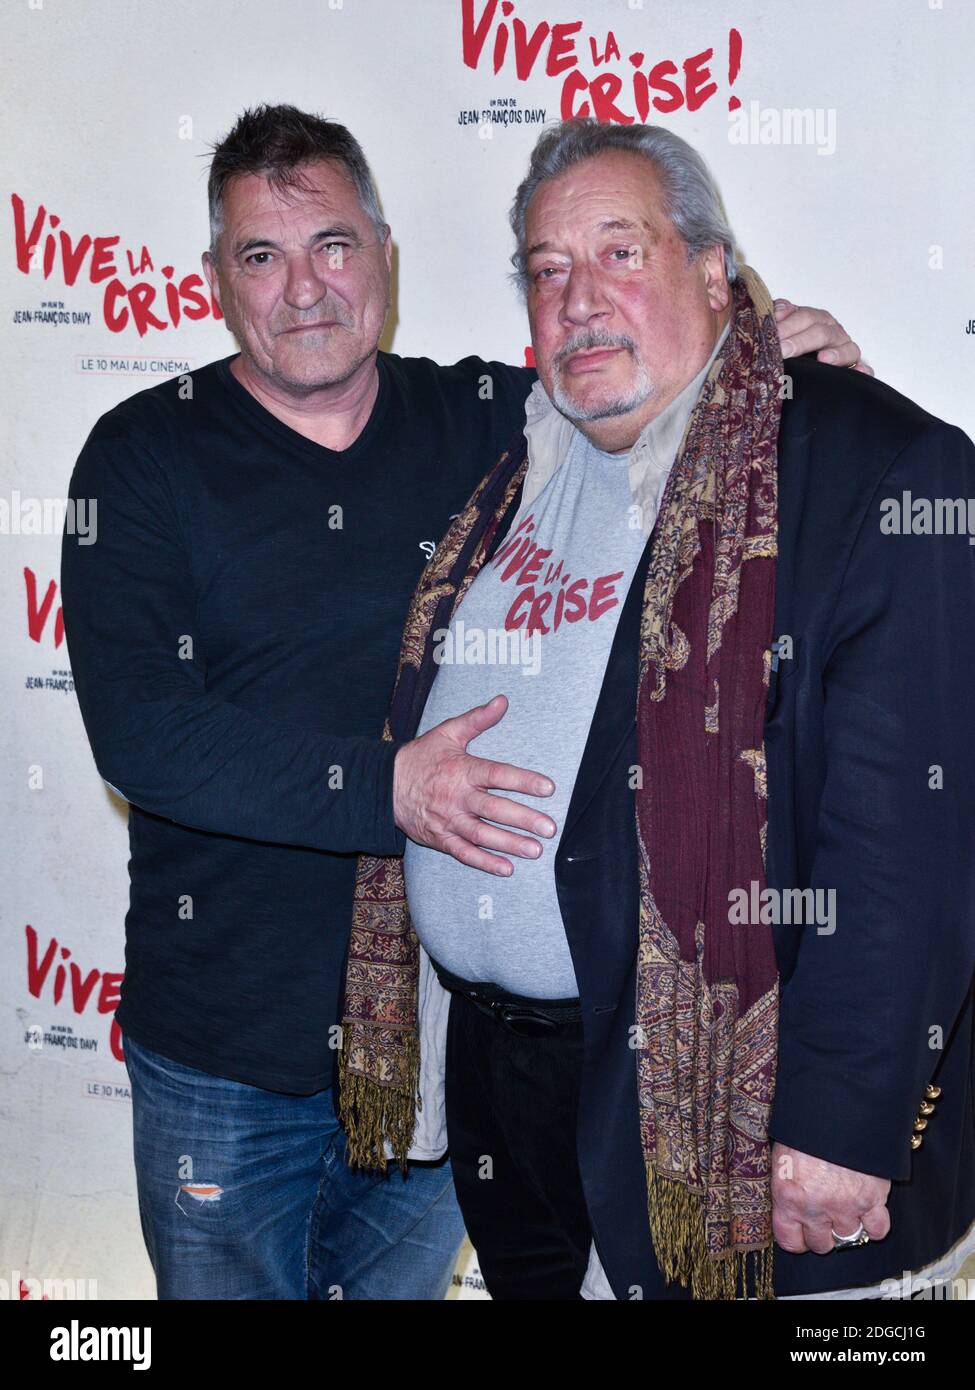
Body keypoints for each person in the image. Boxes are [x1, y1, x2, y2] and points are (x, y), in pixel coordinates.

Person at [61, 102, 866, 1301]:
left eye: (332, 244)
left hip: (438, 1060)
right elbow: (143, 733)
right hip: (228, 1057)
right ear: (215, 281)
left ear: (385, 255)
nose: (305, 290)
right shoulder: (139, 457)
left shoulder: (496, 420)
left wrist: (778, 353)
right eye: (260, 256)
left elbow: (647, 373)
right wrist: (394, 786)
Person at [339, 117, 975, 1302]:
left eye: (620, 253)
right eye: (546, 268)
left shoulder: (865, 463)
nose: (579, 299)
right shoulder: (515, 454)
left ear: (715, 269)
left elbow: (913, 844)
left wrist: (843, 1123)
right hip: (514, 1096)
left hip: (732, 1127)